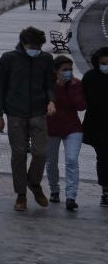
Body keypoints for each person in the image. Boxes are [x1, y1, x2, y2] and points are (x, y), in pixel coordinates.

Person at [0, 26, 57, 211]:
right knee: (19, 154)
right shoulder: (8, 59)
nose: (35, 49)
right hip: (15, 113)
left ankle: (34, 183)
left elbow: (49, 85)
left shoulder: (45, 59)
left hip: (38, 112)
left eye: (38, 46)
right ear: (22, 43)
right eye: (31, 45)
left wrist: (52, 101)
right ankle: (21, 195)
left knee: (41, 153)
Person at [46, 55, 87, 210]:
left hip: (72, 128)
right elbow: (48, 103)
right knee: (51, 162)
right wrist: (58, 88)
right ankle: (54, 190)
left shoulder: (76, 84)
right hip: (51, 128)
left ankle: (71, 196)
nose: (68, 72)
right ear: (56, 72)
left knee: (71, 160)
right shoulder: (49, 85)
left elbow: (81, 106)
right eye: (64, 70)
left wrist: (71, 89)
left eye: (70, 69)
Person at [82, 46, 108, 207]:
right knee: (104, 158)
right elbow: (90, 100)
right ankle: (105, 190)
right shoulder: (91, 77)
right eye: (103, 63)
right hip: (98, 125)